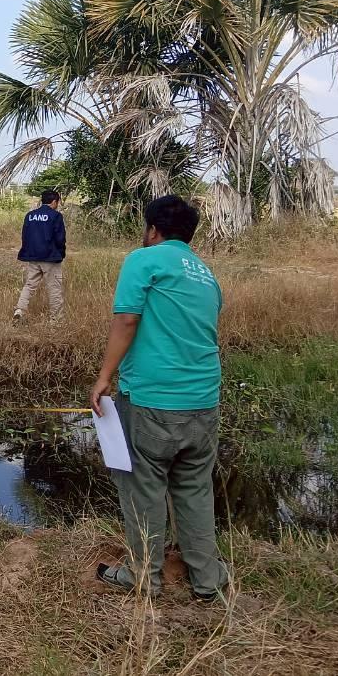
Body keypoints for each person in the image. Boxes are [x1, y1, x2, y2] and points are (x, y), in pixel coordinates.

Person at [90, 195, 228, 601]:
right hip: (204, 402)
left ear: (153, 230)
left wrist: (102, 379)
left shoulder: (143, 259)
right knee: (194, 488)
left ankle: (143, 576)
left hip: (153, 401)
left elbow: (127, 318)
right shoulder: (206, 274)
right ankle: (207, 579)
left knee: (143, 488)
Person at [13, 189, 66, 322]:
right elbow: (60, 239)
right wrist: (61, 253)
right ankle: (56, 321)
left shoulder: (30, 215)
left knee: (30, 285)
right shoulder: (56, 216)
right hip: (50, 257)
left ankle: (20, 310)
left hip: (33, 256)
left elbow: (25, 236)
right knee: (54, 288)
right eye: (57, 202)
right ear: (54, 201)